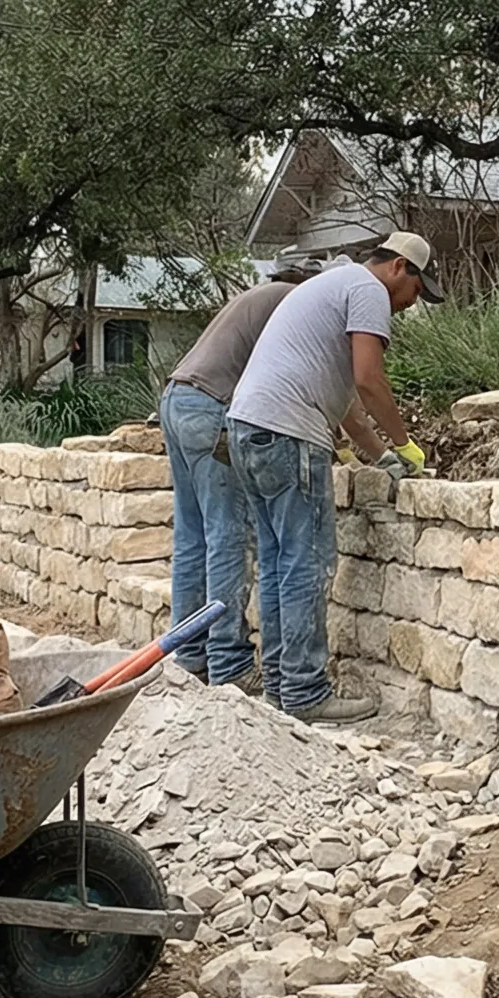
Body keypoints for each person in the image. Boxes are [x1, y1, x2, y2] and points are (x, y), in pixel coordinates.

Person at [228, 231, 440, 723]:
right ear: (398, 268)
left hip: (249, 427)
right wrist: (405, 444)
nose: (412, 304)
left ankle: (281, 687)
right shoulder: (368, 291)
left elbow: (345, 404)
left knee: (281, 562)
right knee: (307, 562)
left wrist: (380, 456)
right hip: (287, 433)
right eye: (416, 290)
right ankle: (304, 691)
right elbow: (369, 380)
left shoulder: (332, 286)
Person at [156, 247, 322, 691]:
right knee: (228, 535)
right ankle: (228, 662)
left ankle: (189, 654)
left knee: (193, 534)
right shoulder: (290, 303)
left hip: (178, 398)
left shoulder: (255, 297)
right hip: (212, 408)